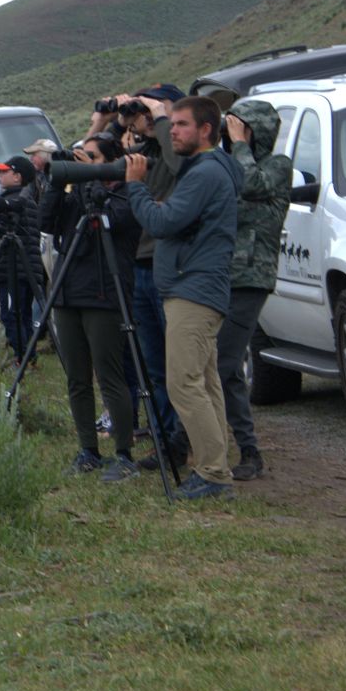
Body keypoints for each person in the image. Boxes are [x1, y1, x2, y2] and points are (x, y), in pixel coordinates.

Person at [125, 96, 243, 501]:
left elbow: (162, 221)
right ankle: (215, 466)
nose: (171, 131)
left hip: (192, 289)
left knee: (184, 384)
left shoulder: (204, 173)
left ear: (206, 130)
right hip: (199, 286)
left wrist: (137, 190)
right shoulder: (216, 167)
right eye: (170, 124)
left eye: (180, 125)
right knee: (205, 384)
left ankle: (213, 474)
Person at [91, 84, 189, 468]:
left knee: (180, 364)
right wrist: (108, 122)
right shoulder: (143, 152)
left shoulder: (177, 150)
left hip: (170, 266)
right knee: (154, 365)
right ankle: (168, 443)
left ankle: (189, 437)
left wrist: (160, 114)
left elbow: (180, 164)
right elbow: (90, 163)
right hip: (140, 266)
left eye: (150, 109)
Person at [40, 134, 142, 479]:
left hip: (104, 295)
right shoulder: (76, 195)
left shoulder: (126, 194)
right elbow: (45, 221)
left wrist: (92, 181)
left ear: (112, 161)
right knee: (77, 378)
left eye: (92, 157)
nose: (84, 163)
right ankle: (88, 450)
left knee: (109, 375)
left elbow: (114, 224)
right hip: (68, 294)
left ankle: (124, 454)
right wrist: (59, 180)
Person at [0, 155, 47, 365]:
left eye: (4, 172)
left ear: (17, 177)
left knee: (11, 315)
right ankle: (27, 357)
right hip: (25, 268)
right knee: (23, 316)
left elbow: (1, 234)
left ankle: (24, 358)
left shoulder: (15, 202)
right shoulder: (25, 198)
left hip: (15, 268)